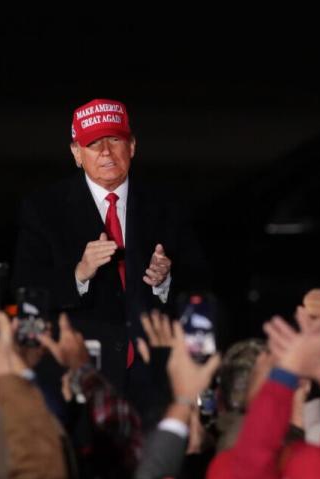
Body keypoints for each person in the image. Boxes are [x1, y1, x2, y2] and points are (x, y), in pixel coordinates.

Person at [13, 98, 207, 405]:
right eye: (93, 144)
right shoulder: (44, 209)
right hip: (82, 375)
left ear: (132, 146)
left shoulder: (168, 206)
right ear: (77, 153)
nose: (105, 152)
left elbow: (201, 285)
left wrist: (166, 280)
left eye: (114, 140)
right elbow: (26, 290)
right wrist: (79, 273)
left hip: (152, 375)